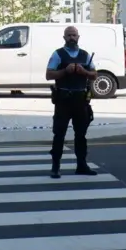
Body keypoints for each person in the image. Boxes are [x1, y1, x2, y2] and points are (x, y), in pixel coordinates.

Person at [45, 26, 100, 179]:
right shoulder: (58, 54)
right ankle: (55, 167)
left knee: (81, 134)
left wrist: (85, 72)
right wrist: (64, 71)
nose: (71, 38)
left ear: (78, 37)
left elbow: (94, 75)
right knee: (59, 134)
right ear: (64, 38)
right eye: (69, 35)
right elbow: (48, 75)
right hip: (63, 100)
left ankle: (81, 165)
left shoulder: (85, 55)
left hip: (81, 101)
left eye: (74, 35)